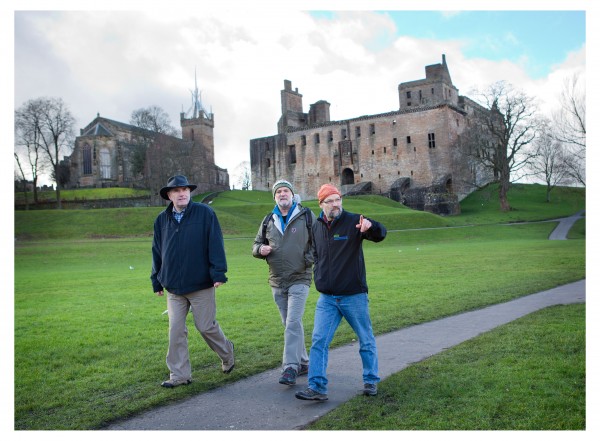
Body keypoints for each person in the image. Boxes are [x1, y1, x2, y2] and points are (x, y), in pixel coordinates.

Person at [295, 183, 386, 401]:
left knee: (365, 338)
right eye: (331, 201)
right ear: (321, 204)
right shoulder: (316, 226)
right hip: (327, 298)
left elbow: (380, 234)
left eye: (338, 199)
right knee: (318, 341)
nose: (336, 204)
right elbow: (316, 255)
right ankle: (317, 387)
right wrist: (319, 276)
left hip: (354, 295)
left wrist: (371, 227)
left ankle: (371, 380)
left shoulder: (355, 221)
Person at [151, 175, 235, 388]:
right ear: (169, 196)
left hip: (201, 283)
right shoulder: (162, 220)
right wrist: (156, 279)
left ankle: (227, 353)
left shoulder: (205, 213)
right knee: (176, 330)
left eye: (185, 189)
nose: (182, 193)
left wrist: (218, 272)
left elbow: (215, 242)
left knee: (206, 326)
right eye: (177, 191)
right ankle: (179, 375)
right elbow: (157, 251)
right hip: (173, 286)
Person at [253, 180, 316, 385]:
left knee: (292, 323)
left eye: (285, 191)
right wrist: (259, 250)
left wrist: (308, 260)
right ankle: (304, 362)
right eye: (278, 192)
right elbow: (256, 244)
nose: (282, 194)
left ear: (292, 194)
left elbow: (319, 242)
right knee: (289, 323)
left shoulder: (306, 216)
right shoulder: (268, 220)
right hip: (277, 280)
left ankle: (290, 368)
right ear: (274, 197)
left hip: (300, 277)